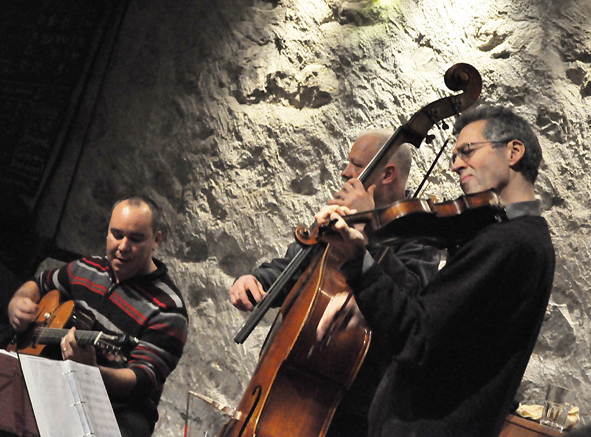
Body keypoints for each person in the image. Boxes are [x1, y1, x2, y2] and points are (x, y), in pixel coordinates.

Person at [314, 106, 556, 437]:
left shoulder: (508, 242)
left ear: (513, 152)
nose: (456, 164)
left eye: (468, 151)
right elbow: (427, 313)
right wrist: (372, 254)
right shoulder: (516, 236)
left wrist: (359, 261)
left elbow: (415, 336)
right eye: (455, 154)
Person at [230, 130, 442, 436]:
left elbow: (408, 300)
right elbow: (294, 267)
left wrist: (366, 227)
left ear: (387, 174)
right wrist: (256, 279)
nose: (345, 172)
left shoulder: (419, 234)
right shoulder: (338, 213)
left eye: (356, 165)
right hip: (289, 381)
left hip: (351, 404)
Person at [7, 196, 188, 437]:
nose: (123, 246)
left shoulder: (168, 309)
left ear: (156, 240)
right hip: (59, 380)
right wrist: (18, 301)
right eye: (117, 234)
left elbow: (143, 378)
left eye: (135, 238)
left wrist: (91, 372)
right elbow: (39, 283)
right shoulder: (87, 268)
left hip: (118, 408)